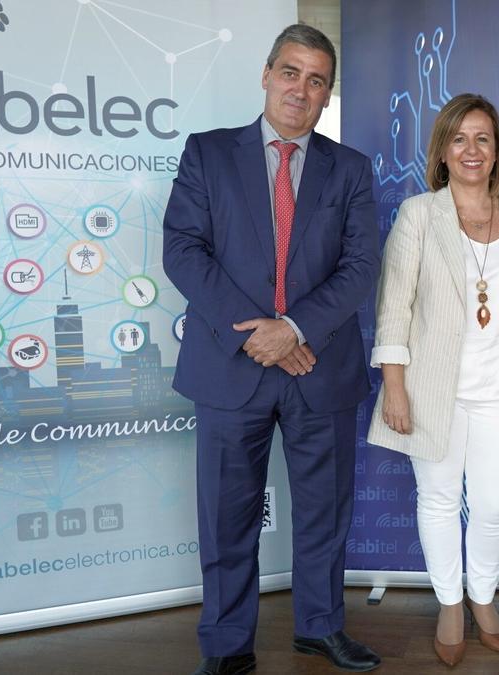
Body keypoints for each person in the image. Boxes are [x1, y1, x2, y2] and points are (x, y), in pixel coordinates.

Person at [163, 24, 382, 675]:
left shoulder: (352, 169)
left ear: (327, 94)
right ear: (266, 74)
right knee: (228, 517)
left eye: (317, 80)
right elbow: (183, 251)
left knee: (325, 514)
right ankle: (228, 644)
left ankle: (319, 626)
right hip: (233, 367)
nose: (301, 89)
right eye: (291, 72)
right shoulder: (208, 154)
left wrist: (294, 329)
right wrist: (262, 330)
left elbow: (361, 265)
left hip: (321, 365)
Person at [365, 93, 499, 667]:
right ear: (443, 151)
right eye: (459, 139)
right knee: (440, 500)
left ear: (497, 151)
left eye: (483, 138)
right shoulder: (419, 214)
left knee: (496, 503)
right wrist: (394, 386)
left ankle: (483, 595)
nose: (472, 150)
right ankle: (451, 602)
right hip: (431, 391)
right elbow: (394, 305)